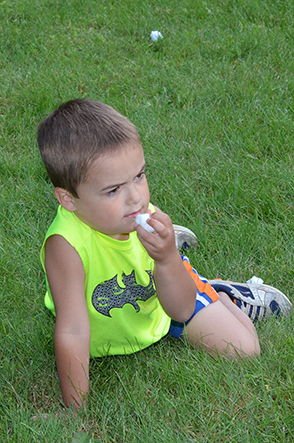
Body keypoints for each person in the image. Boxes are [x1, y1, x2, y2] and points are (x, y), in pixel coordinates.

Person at [37, 98, 292, 408]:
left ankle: (217, 290)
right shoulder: (65, 245)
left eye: (139, 176)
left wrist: (166, 258)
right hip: (120, 310)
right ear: (69, 200)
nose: (136, 198)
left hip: (164, 299)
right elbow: (73, 328)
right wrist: (75, 412)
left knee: (244, 349)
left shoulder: (143, 214)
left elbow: (181, 310)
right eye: (113, 190)